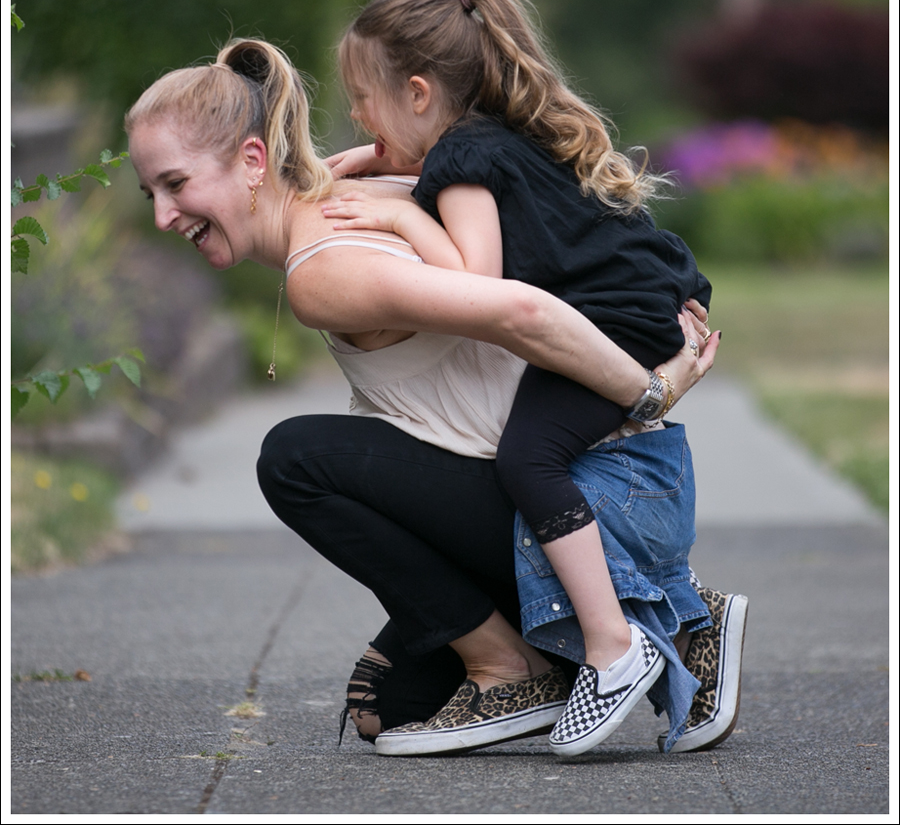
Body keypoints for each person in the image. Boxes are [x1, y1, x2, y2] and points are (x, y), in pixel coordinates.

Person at [125, 37, 744, 759]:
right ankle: (677, 619)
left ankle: (538, 659)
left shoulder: (322, 270)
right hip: (605, 489)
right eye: (152, 194)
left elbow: (522, 312)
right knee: (385, 706)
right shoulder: (375, 190)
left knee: (293, 459)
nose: (164, 216)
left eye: (176, 184)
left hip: (574, 503)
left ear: (255, 161)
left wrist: (651, 390)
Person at [323, 0, 718, 755]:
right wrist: (368, 165)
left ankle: (613, 648)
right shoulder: (498, 136)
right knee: (544, 452)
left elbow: (477, 284)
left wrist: (403, 211)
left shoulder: (460, 161)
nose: (356, 118)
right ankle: (686, 616)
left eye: (360, 98)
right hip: (646, 298)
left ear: (416, 91)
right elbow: (398, 160)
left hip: (611, 326)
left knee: (527, 459)